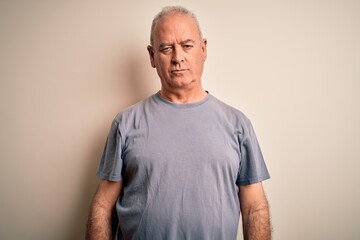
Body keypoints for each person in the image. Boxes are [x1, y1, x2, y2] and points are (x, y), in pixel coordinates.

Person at [86, 6, 271, 240]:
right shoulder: (125, 123)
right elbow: (103, 205)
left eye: (187, 46)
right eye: (166, 48)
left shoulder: (238, 124)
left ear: (203, 49)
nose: (178, 58)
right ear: (152, 56)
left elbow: (254, 207)